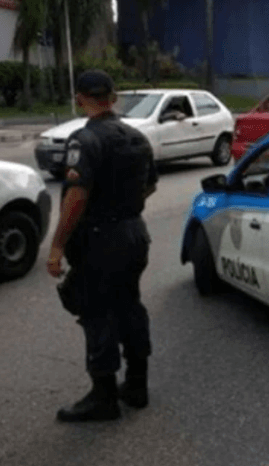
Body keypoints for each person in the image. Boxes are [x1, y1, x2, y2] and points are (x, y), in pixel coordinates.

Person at [47, 69, 158, 422]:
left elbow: (75, 198)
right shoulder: (137, 137)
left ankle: (104, 396)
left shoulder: (85, 139)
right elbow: (150, 186)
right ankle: (137, 385)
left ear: (80, 99)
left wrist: (56, 246)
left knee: (97, 313)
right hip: (133, 234)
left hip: (100, 240)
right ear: (113, 98)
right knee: (129, 304)